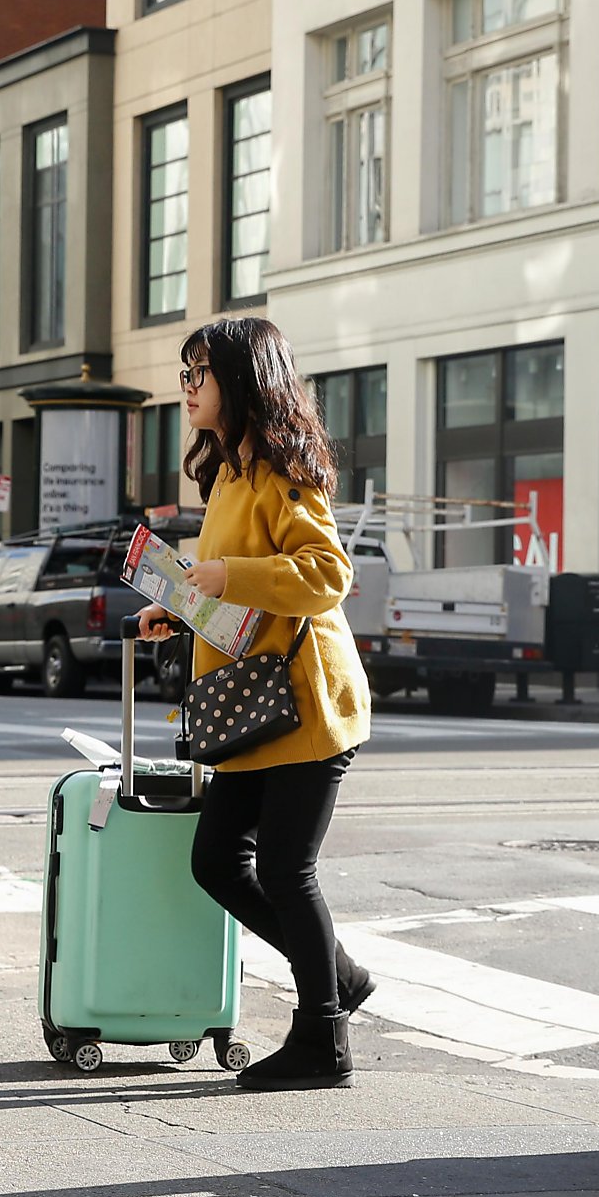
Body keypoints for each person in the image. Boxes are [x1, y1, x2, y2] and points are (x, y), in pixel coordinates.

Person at [136, 316, 373, 1093]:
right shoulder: (229, 474)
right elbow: (234, 591)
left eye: (198, 372)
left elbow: (324, 574)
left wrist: (228, 575)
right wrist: (178, 605)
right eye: (185, 373)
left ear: (241, 380)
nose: (188, 387)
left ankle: (323, 1041)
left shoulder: (282, 469)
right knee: (216, 861)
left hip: (303, 703)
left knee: (285, 869)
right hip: (251, 704)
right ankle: (336, 980)